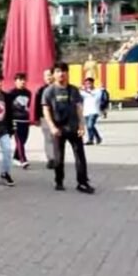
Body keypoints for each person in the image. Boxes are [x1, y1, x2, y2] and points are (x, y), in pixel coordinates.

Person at [42, 62, 95, 194]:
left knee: (80, 156)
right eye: (58, 71)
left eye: (64, 71)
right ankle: (59, 181)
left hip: (73, 128)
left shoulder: (73, 90)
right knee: (58, 158)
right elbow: (46, 110)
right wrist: (52, 127)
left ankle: (82, 183)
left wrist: (82, 125)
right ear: (54, 74)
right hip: (58, 130)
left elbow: (79, 108)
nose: (62, 74)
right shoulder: (49, 91)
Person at [9, 73, 32, 169]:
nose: (22, 82)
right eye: (20, 80)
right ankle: (23, 160)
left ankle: (15, 157)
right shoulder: (11, 93)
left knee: (24, 139)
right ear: (15, 81)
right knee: (19, 140)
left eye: (24, 80)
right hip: (15, 119)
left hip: (25, 119)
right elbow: (9, 107)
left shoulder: (28, 93)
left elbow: (28, 105)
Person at [34, 68, 56, 170]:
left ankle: (57, 157)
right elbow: (37, 106)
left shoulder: (59, 88)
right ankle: (51, 159)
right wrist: (37, 118)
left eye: (50, 75)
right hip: (45, 118)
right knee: (48, 139)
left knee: (57, 139)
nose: (48, 77)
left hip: (58, 118)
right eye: (46, 75)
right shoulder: (41, 90)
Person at [81, 78, 103, 145]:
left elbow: (92, 94)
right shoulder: (83, 92)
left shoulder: (98, 91)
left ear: (92, 83)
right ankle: (94, 138)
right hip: (86, 112)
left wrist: (84, 90)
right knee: (89, 126)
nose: (88, 85)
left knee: (90, 126)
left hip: (94, 111)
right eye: (86, 84)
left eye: (89, 83)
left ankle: (94, 138)